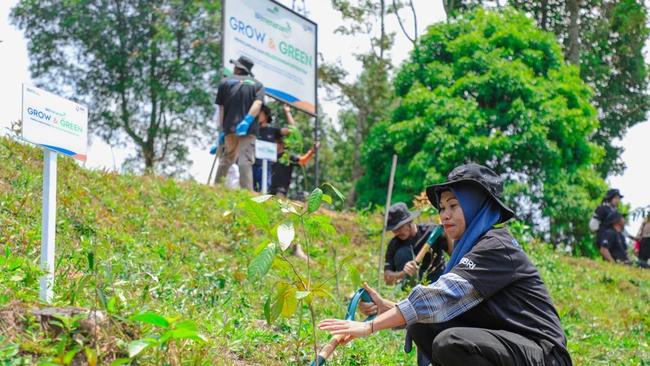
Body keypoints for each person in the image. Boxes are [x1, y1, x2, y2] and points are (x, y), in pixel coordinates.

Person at [319, 163, 572, 366]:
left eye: (454, 205)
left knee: (452, 342)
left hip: (543, 354)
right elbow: (441, 307)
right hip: (509, 346)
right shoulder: (470, 248)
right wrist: (388, 309)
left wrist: (370, 326)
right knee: (422, 326)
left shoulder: (496, 246)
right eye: (442, 207)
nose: (444, 215)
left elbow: (442, 295)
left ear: (477, 207)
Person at [214, 56, 265, 190]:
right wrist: (247, 120)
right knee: (245, 159)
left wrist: (222, 130)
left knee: (227, 157)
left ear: (237, 68)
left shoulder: (225, 82)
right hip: (248, 130)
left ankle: (217, 188)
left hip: (229, 128)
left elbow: (222, 108)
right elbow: (258, 103)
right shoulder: (258, 85)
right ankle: (246, 192)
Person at [383, 202, 451, 287]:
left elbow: (453, 254)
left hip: (439, 280)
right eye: (394, 230)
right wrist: (404, 273)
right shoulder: (394, 244)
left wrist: (448, 233)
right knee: (402, 253)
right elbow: (387, 279)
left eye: (399, 227)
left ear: (409, 221)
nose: (396, 233)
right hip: (412, 289)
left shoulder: (431, 232)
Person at [253, 104, 293, 192]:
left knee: (263, 193)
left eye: (259, 113)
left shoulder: (273, 131)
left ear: (266, 115)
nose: (257, 114)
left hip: (265, 168)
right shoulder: (252, 130)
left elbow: (292, 130)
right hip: (251, 166)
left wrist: (287, 112)